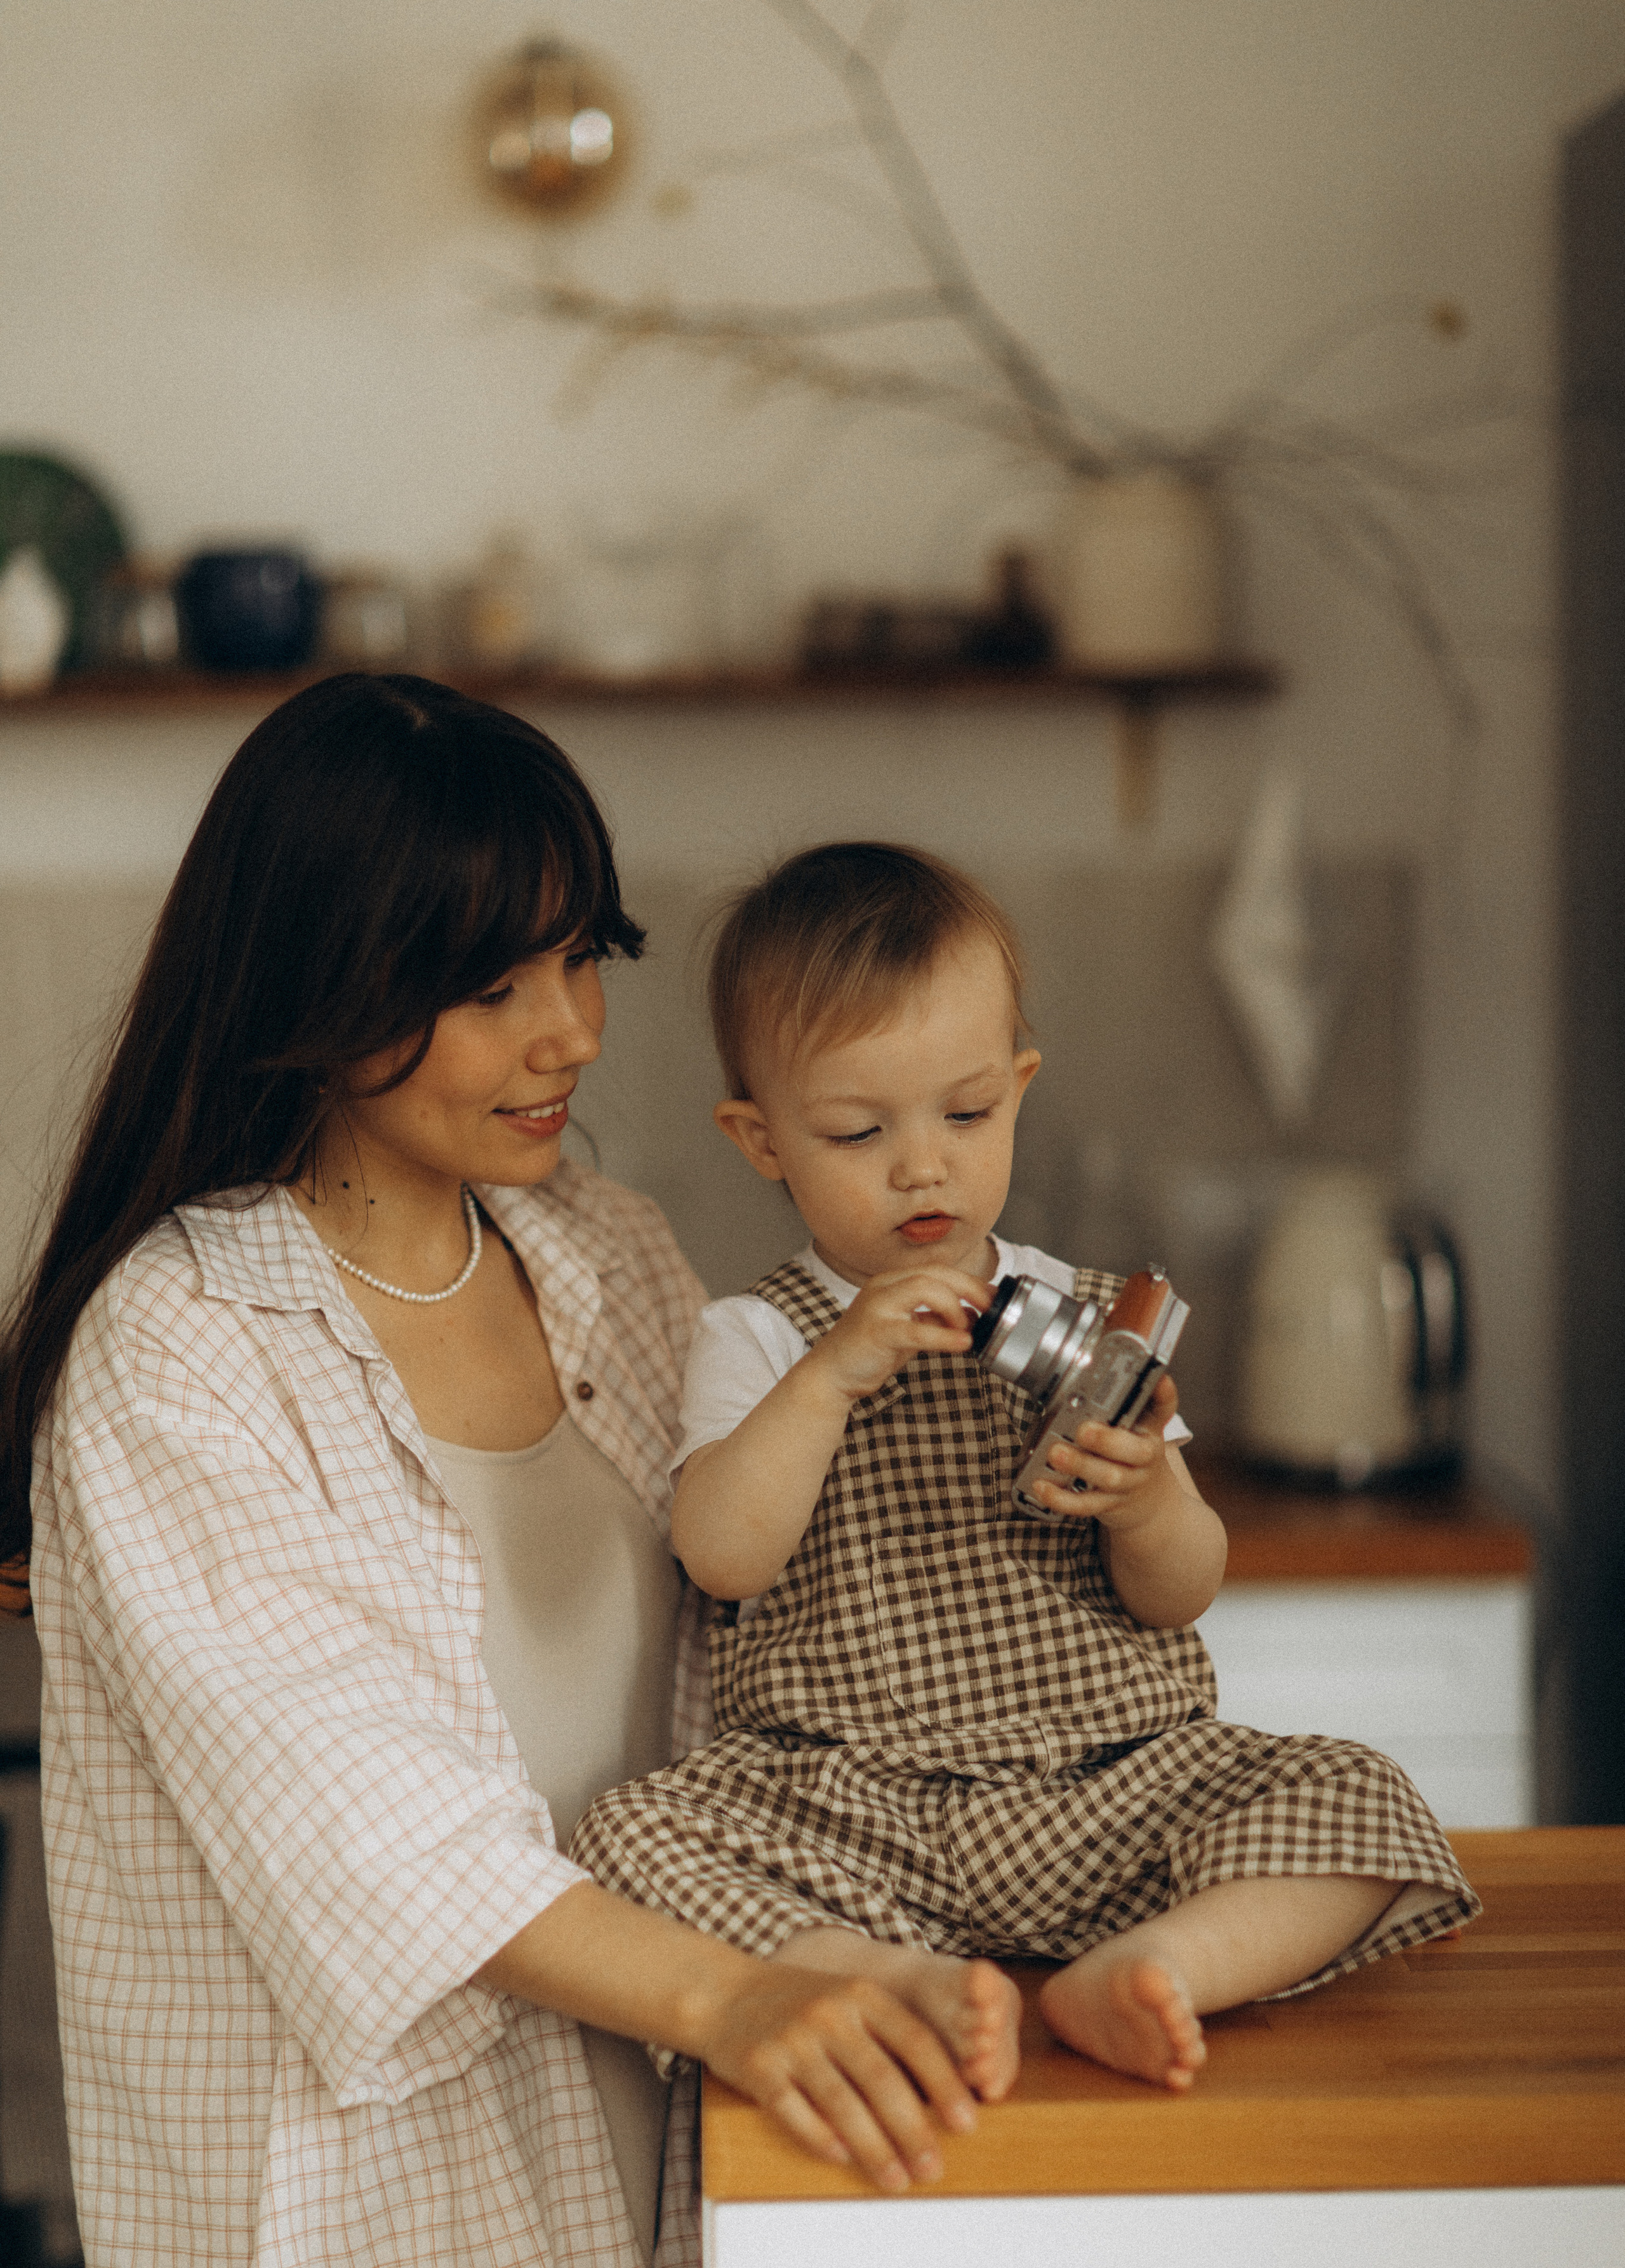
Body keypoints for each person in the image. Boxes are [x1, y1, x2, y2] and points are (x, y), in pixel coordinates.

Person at [0, 686, 983, 2268]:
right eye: (492, 989)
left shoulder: (609, 1251)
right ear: (324, 993)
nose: (576, 1037)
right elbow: (367, 1824)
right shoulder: (183, 1348)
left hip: (694, 2121)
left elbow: (776, 1651)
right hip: (374, 2217)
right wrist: (745, 1994)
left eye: (581, 960)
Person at [572, 843, 1480, 2100]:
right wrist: (832, 1373)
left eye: (965, 1113)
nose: (921, 1166)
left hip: (1102, 1786)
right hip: (853, 1807)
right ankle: (891, 1983)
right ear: (760, 1139)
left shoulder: (1088, 1319)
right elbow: (722, 1556)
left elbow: (1182, 1592)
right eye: (854, 1130)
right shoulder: (762, 1335)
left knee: (1360, 1792)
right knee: (629, 1837)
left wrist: (1149, 1499)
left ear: (1018, 1088)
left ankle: (1155, 1966)